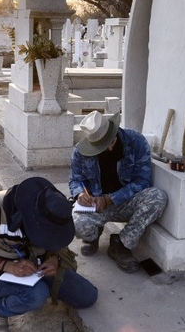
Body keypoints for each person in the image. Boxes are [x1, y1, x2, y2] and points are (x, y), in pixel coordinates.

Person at [0, 176, 97, 332]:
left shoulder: (52, 209)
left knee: (87, 296)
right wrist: (8, 266)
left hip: (37, 268)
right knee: (37, 295)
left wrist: (53, 258)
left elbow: (54, 246)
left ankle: (29, 290)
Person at [68, 110, 167, 272]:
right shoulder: (80, 151)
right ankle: (93, 235)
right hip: (95, 204)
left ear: (113, 139)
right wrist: (80, 194)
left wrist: (110, 199)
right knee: (76, 223)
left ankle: (120, 243)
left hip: (125, 202)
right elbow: (75, 179)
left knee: (157, 197)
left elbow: (143, 181)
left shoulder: (136, 142)